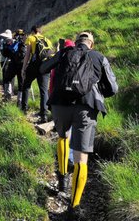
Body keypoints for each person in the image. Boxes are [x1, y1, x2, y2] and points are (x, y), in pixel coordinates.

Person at [39, 32, 118, 218]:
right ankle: (73, 207)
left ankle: (62, 180)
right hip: (86, 107)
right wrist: (97, 91)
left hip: (59, 103)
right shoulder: (98, 56)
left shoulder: (66, 52)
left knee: (62, 137)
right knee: (81, 158)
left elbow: (43, 68)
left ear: (76, 42)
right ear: (92, 44)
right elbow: (113, 88)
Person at [21, 25, 53, 122]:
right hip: (45, 66)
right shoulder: (47, 40)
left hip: (34, 65)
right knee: (43, 91)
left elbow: (27, 55)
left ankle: (24, 109)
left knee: (26, 85)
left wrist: (23, 68)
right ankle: (44, 115)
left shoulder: (31, 38)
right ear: (40, 31)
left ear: (32, 31)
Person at [0, 29, 14, 99]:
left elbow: (1, 51)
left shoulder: (4, 41)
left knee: (6, 76)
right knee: (10, 76)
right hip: (11, 60)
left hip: (5, 60)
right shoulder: (13, 41)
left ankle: (7, 93)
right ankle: (10, 92)